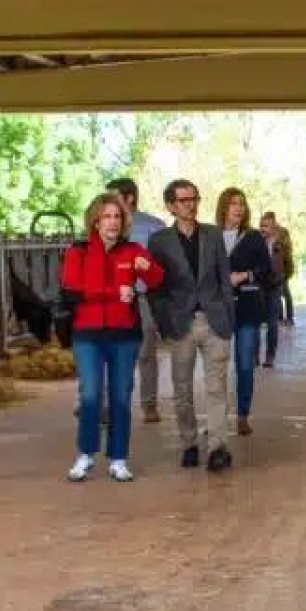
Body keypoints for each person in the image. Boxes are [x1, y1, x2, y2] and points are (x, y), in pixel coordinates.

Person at [60, 192, 165, 481]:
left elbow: (157, 279)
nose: (113, 222)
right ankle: (85, 454)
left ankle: (118, 458)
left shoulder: (132, 251)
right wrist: (112, 294)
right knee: (90, 395)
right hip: (88, 335)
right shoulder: (77, 251)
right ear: (95, 221)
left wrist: (150, 269)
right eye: (107, 216)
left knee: (120, 397)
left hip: (124, 335)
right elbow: (71, 291)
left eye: (118, 216)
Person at [147, 179, 237, 473]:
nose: (191, 204)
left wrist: (228, 316)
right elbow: (156, 288)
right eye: (184, 200)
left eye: (194, 198)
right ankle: (189, 442)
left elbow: (225, 279)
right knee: (182, 389)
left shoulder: (213, 235)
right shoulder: (159, 241)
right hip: (180, 324)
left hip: (214, 321)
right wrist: (165, 324)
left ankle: (218, 448)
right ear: (171, 206)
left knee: (217, 388)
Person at [217, 188, 274, 436]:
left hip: (248, 307)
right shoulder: (211, 236)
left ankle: (242, 415)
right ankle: (216, 417)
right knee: (216, 366)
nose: (238, 208)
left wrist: (245, 275)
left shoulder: (253, 237)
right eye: (232, 204)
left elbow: (266, 270)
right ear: (224, 207)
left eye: (241, 203)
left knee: (244, 365)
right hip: (219, 309)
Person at [111, 177, 166, 424]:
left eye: (114, 196)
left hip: (144, 297)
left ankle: (149, 405)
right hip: (113, 297)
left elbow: (164, 262)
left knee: (146, 352)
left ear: (129, 197)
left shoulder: (154, 226)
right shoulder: (106, 225)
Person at [259, 211, 294, 367]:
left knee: (272, 322)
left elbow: (289, 265)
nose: (263, 229)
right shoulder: (256, 243)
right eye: (261, 225)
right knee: (256, 322)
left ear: (274, 228)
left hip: (275, 287)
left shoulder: (281, 246)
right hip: (257, 286)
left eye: (266, 226)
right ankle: (254, 355)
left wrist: (282, 279)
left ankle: (270, 356)